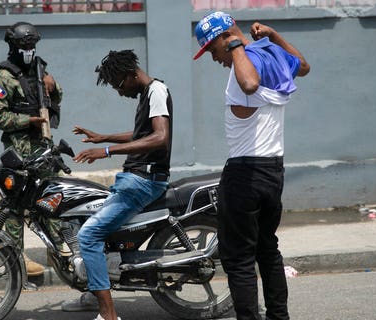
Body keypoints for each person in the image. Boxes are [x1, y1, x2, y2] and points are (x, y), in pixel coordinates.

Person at [193, 12, 310, 320]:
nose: (214, 58)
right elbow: (304, 67)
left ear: (223, 39)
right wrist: (273, 36)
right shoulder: (270, 54)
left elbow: (248, 83)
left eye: (212, 50)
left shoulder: (242, 67)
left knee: (239, 258)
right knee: (267, 249)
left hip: (245, 174)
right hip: (273, 172)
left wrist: (234, 45)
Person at [70, 49, 173, 320]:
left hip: (144, 180)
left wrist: (105, 152)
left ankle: (108, 315)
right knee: (85, 219)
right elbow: (141, 134)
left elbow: (160, 137)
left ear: (131, 74)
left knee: (88, 236)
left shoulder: (157, 91)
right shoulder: (147, 95)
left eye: (118, 85)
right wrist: (102, 137)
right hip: (134, 179)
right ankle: (94, 289)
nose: (119, 92)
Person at [0, 21, 64, 277]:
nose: (29, 49)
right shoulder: (3, 77)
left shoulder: (41, 68)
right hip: (19, 151)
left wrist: (54, 88)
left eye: (32, 45)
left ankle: (59, 250)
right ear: (13, 46)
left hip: (43, 147)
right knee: (16, 206)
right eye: (24, 45)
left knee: (52, 198)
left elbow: (54, 101)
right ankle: (15, 257)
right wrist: (26, 121)